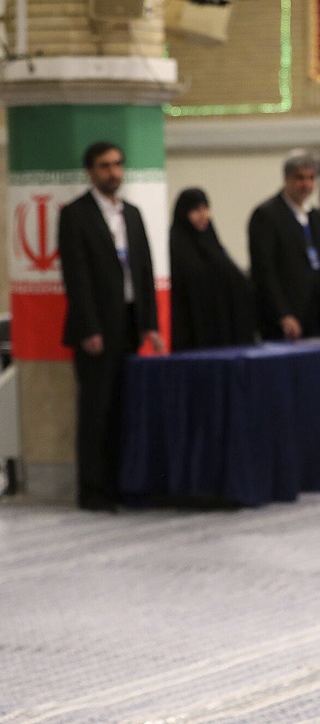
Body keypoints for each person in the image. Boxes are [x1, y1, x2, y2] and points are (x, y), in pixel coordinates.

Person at [58, 140, 164, 512]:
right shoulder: (75, 214)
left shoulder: (131, 214)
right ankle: (92, 490)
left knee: (123, 408)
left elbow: (145, 270)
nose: (113, 172)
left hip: (129, 322)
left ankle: (120, 483)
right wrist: (88, 328)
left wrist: (150, 324)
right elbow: (76, 276)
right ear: (91, 171)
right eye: (105, 166)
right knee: (96, 411)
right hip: (97, 329)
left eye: (118, 165)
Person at [248, 149, 320, 340]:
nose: (306, 184)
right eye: (300, 178)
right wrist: (283, 314)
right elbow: (264, 271)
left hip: (316, 315)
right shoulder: (266, 215)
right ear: (286, 178)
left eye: (311, 178)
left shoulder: (316, 217)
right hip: (285, 317)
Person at [169, 187, 256, 351]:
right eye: (195, 210)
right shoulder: (176, 249)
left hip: (223, 335)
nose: (203, 216)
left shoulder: (214, 246)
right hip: (194, 336)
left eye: (205, 209)